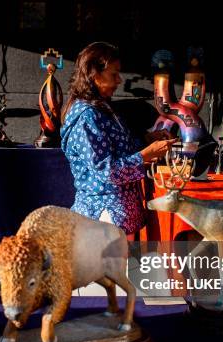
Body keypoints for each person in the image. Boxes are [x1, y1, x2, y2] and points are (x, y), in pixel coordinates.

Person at [61, 42, 174, 236]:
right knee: (106, 267)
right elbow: (107, 172)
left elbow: (120, 148)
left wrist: (147, 139)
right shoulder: (87, 117)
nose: (119, 80)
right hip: (103, 217)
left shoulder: (102, 109)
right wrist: (146, 155)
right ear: (95, 75)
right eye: (114, 74)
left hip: (115, 217)